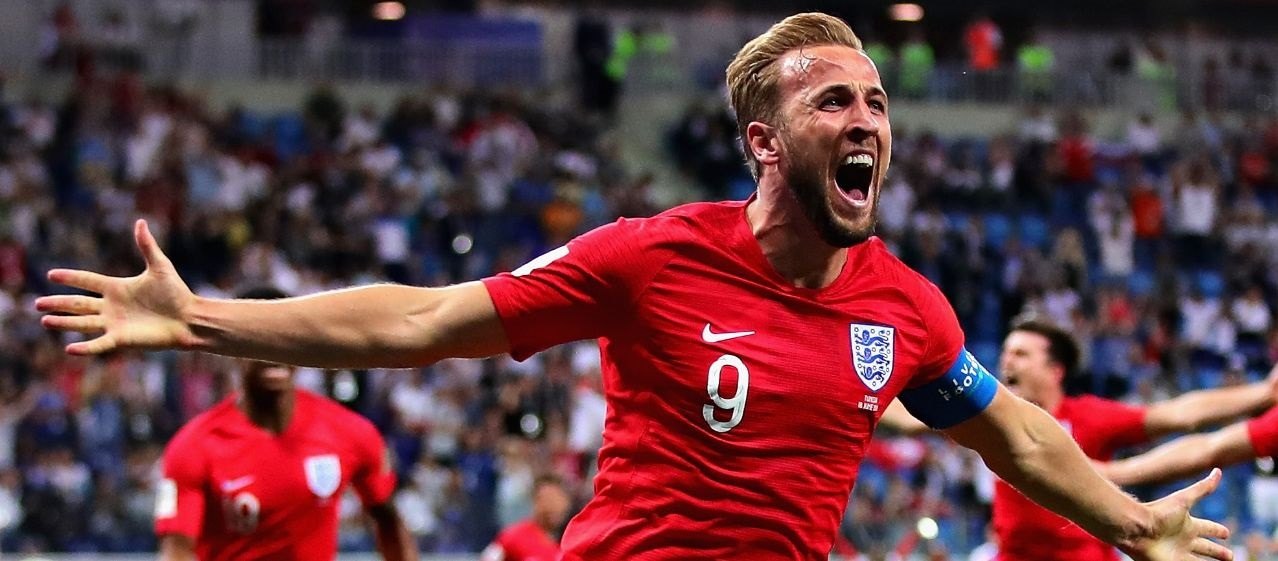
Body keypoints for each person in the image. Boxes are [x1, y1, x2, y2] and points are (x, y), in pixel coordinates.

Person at [38, 12, 1232, 561]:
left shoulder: (906, 309)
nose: (867, 119)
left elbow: (1018, 434)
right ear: (764, 142)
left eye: (876, 101)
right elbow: (424, 318)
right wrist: (199, 316)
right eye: (833, 100)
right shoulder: (650, 257)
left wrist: (1136, 526)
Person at [881, 319, 1276, 561]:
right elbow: (909, 419)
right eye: (1005, 352)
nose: (1006, 361)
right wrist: (860, 396)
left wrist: (1262, 393)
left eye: (1021, 354)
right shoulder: (987, 416)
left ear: (1055, 370)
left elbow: (1178, 414)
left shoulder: (1090, 416)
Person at [151, 288, 417, 561]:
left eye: (285, 338)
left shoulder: (351, 432)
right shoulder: (194, 446)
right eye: (259, 339)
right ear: (232, 349)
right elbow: (177, 551)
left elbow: (390, 523)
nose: (273, 351)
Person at [479, 474, 571, 561]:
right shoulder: (513, 537)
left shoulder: (572, 541)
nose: (553, 506)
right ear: (535, 502)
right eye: (548, 500)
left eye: (558, 500)